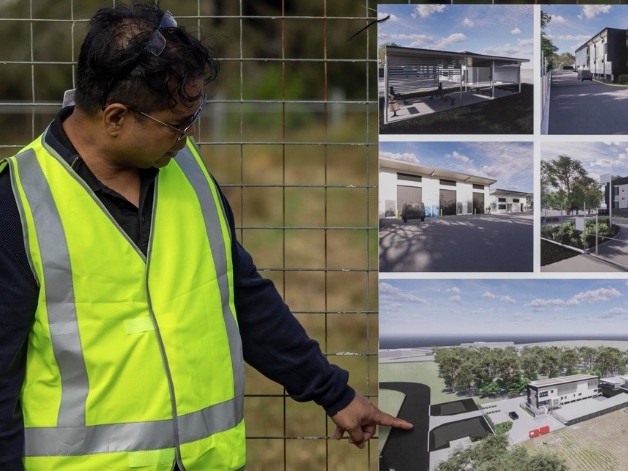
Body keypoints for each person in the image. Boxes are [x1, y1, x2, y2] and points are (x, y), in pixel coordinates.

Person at [0, 3, 412, 470]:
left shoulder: (187, 170)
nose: (189, 135)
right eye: (176, 123)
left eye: (196, 115)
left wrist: (334, 393)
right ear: (115, 117)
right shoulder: (17, 205)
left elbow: (242, 294)